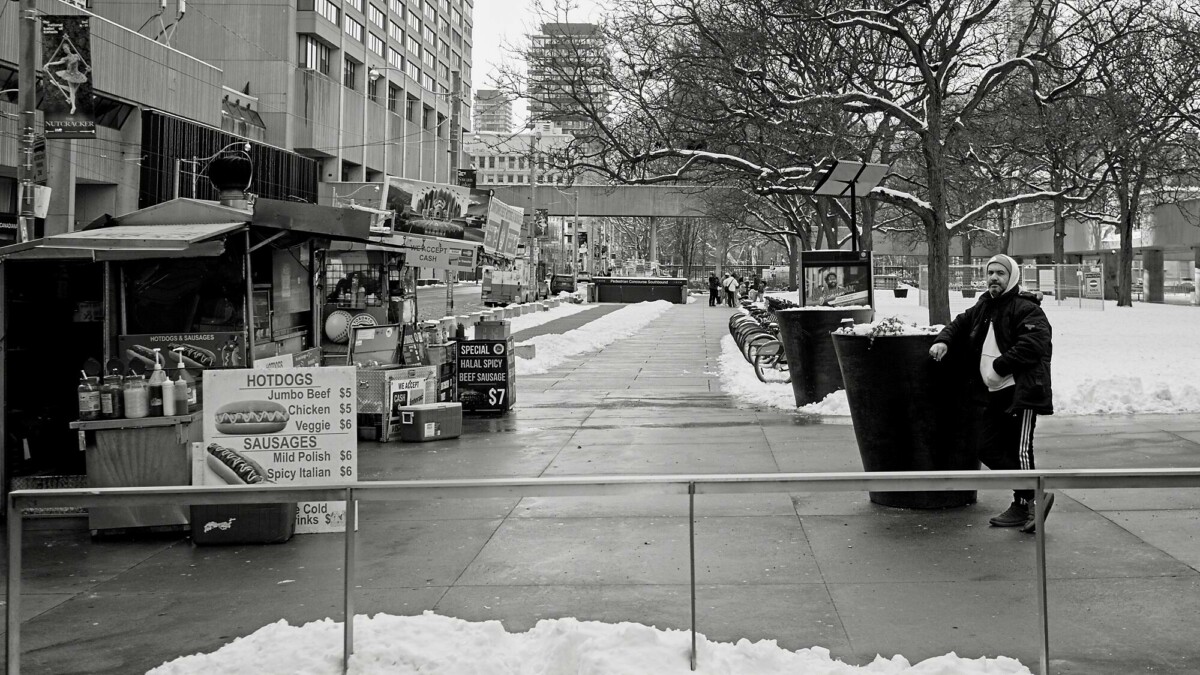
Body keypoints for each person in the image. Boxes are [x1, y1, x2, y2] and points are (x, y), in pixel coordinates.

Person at [928, 254, 1055, 533]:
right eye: (990, 273)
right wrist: (943, 340)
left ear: (1012, 278)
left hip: (1020, 390)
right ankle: (1030, 498)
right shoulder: (985, 305)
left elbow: (1034, 343)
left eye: (1000, 273)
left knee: (1019, 451)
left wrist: (999, 366)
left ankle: (1026, 502)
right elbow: (960, 324)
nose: (994, 278)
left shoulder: (1026, 308)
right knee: (985, 447)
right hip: (994, 392)